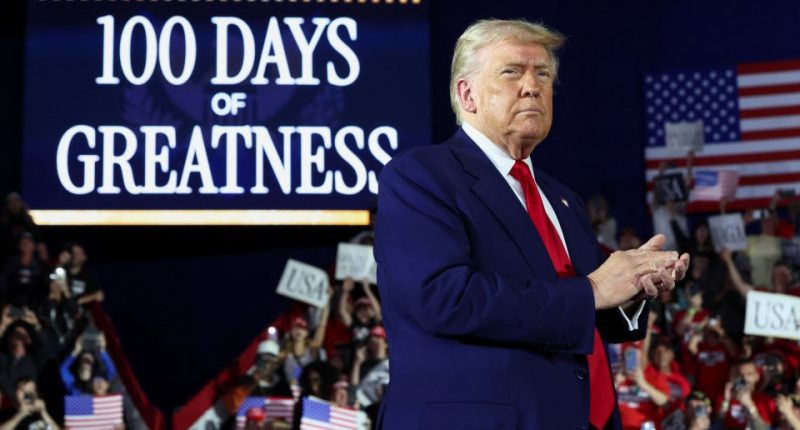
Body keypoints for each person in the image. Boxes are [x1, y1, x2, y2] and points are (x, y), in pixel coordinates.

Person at [373, 19, 689, 430]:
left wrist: (630, 290)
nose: (532, 85)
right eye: (512, 71)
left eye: (542, 74)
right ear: (466, 94)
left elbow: (573, 314)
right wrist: (593, 290)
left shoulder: (563, 200)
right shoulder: (420, 176)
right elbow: (444, 297)